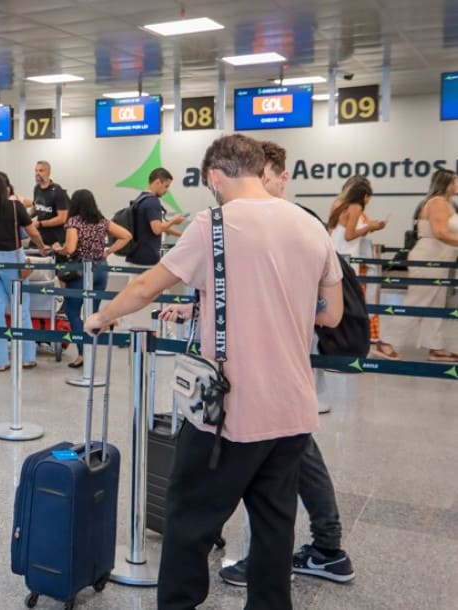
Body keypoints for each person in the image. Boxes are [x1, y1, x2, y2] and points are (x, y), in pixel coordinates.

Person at [85, 134, 344, 610]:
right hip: (293, 410)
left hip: (230, 413)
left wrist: (102, 316)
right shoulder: (310, 226)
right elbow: (330, 314)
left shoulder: (213, 224)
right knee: (274, 527)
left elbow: (146, 286)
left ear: (215, 177)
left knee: (189, 524)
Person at [210, 139, 356, 588]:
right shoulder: (273, 222)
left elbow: (323, 307)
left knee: (277, 465)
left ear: (277, 176)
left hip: (280, 364)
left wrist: (277, 309)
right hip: (274, 366)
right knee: (300, 455)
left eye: (263, 175)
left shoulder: (295, 224)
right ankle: (327, 547)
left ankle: (275, 559)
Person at [0, 171, 48, 371]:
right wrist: (41, 247)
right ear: (7, 189)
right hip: (12, 261)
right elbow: (32, 231)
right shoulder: (15, 207)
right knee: (20, 309)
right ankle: (27, 357)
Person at [53, 189, 131, 368]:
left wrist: (59, 249)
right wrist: (108, 251)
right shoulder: (102, 222)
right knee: (93, 314)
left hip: (81, 270)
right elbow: (127, 235)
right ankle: (91, 350)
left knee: (73, 311)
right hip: (101, 269)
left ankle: (83, 354)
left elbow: (71, 249)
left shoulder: (74, 222)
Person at [327, 177, 401, 359]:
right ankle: (352, 338)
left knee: (336, 298)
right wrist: (370, 226)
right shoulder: (356, 207)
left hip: (335, 254)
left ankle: (336, 338)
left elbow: (334, 231)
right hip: (348, 258)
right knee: (351, 299)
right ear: (365, 196)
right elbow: (350, 235)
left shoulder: (339, 204)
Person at [405, 169, 458, 362]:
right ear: (447, 184)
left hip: (441, 260)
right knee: (417, 301)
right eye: (456, 181)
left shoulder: (448, 204)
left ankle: (435, 347)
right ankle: (387, 342)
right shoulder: (437, 203)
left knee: (435, 304)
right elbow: (441, 233)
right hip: (429, 260)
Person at [126, 168, 183, 266]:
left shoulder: (140, 199)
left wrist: (181, 234)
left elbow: (156, 226)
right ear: (157, 182)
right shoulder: (152, 201)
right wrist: (174, 220)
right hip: (147, 258)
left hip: (135, 255)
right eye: (166, 186)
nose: (167, 190)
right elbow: (157, 229)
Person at [20, 160, 69, 246]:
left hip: (55, 239)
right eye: (36, 170)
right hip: (40, 235)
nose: (37, 173)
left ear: (49, 172)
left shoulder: (58, 191)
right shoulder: (36, 188)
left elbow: (62, 218)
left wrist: (40, 224)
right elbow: (37, 207)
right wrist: (26, 218)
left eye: (41, 170)